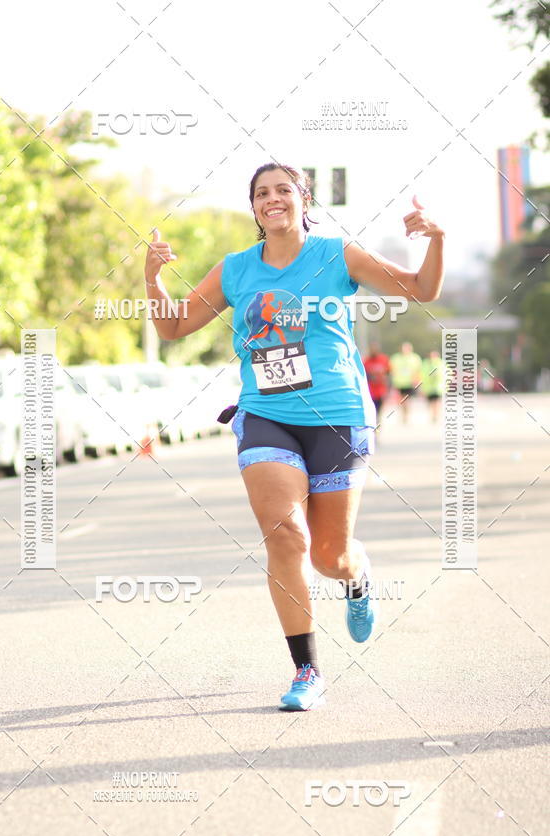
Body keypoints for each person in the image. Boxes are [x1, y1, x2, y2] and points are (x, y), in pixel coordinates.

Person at [144, 163, 445, 711]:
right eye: (262, 193)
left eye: (284, 189)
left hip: (337, 417)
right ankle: (307, 670)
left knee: (330, 557)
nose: (272, 199)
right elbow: (173, 328)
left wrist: (437, 239)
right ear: (254, 209)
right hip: (266, 414)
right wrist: (152, 281)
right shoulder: (236, 270)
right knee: (286, 536)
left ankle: (357, 578)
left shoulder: (337, 255)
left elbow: (422, 289)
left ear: (304, 199)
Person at [389, 342, 422, 424]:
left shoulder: (415, 358)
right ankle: (404, 414)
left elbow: (418, 370)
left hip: (410, 382)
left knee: (407, 400)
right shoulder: (395, 358)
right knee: (401, 401)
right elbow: (391, 369)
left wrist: (417, 380)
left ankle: (406, 415)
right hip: (399, 383)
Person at [363, 342, 391, 429]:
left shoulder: (384, 360)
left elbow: (389, 374)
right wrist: (371, 378)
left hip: (381, 391)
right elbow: (363, 375)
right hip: (370, 392)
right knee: (372, 412)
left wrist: (389, 388)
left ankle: (377, 428)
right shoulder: (366, 361)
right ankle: (374, 428)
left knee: (378, 412)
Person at [421, 350, 445, 422]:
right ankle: (433, 415)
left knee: (437, 402)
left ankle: (436, 415)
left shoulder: (441, 364)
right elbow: (422, 374)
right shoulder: (425, 364)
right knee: (430, 403)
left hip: (438, 387)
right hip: (428, 388)